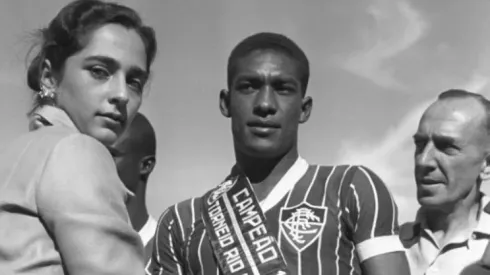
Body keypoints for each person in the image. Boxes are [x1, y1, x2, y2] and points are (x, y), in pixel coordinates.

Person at [147, 32, 409, 275]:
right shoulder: (181, 223)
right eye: (249, 86)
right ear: (226, 103)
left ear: (304, 109)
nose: (264, 104)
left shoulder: (351, 189)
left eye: (283, 88)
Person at [0, 0, 157, 274]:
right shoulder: (76, 150)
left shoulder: (17, 155)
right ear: (49, 77)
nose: (121, 95)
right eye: (99, 71)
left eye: (134, 81)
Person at [399, 89, 490, 275]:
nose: (423, 161)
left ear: (487, 164)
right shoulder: (384, 247)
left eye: (447, 147)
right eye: (420, 144)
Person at [110, 112, 158, 261]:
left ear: (145, 165)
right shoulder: (74, 249)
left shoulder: (167, 254)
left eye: (110, 154)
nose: (97, 160)